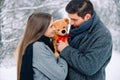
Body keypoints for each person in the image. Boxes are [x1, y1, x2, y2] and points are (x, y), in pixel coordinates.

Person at [57, 0, 112, 80]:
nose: (71, 23)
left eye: (74, 19)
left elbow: (89, 66)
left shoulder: (103, 36)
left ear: (87, 17)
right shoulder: (77, 27)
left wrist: (65, 49)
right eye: (70, 18)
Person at [16, 12, 68, 80]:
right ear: (41, 29)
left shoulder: (42, 44)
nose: (54, 29)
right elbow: (60, 75)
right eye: (51, 26)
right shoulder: (38, 47)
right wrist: (64, 51)